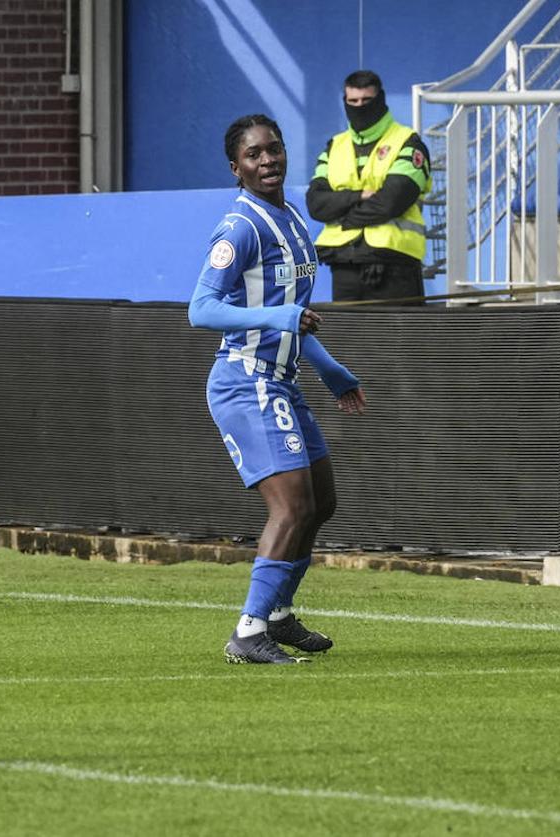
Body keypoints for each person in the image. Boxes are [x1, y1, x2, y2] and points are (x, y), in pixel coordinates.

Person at [188, 114, 366, 664]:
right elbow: (201, 309)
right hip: (246, 382)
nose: (267, 161)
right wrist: (283, 315)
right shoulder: (240, 227)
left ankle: (279, 615)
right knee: (290, 508)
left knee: (321, 503)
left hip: (282, 382)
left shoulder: (290, 216)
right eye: (254, 155)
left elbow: (294, 322)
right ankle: (247, 631)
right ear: (235, 168)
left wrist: (333, 370)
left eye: (274, 149)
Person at [305, 69, 432, 304]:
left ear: (380, 98)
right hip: (344, 263)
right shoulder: (334, 146)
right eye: (352, 101)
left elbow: (392, 201)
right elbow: (316, 203)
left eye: (366, 100)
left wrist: (346, 219)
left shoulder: (407, 142)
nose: (359, 106)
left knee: (402, 341)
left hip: (396, 264)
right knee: (350, 340)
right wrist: (359, 195)